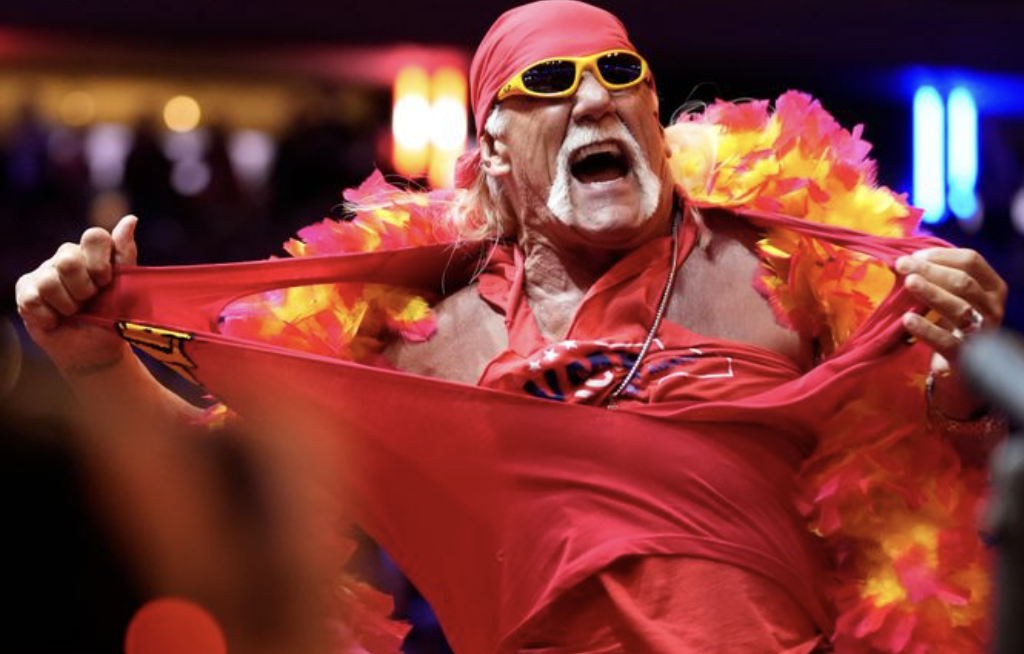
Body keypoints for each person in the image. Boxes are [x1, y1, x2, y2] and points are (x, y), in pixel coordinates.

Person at [15, 2, 1008, 653]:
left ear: (654, 117)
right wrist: (95, 366)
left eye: (618, 72)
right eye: (547, 85)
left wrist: (964, 365)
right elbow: (232, 503)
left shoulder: (780, 268)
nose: (593, 97)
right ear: (491, 154)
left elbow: (927, 477)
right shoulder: (427, 342)